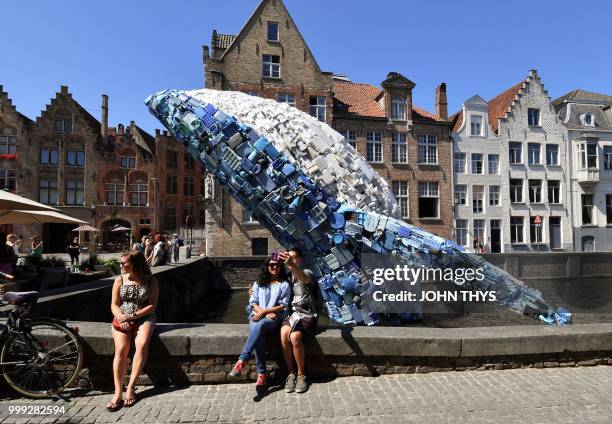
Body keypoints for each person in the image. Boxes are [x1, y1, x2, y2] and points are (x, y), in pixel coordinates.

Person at [229, 254, 291, 393]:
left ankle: (242, 361)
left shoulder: (284, 284)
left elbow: (283, 305)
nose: (275, 267)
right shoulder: (258, 283)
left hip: (273, 318)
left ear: (281, 267)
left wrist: (265, 312)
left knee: (260, 325)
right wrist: (261, 312)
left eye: (277, 265)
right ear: (267, 266)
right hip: (257, 315)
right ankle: (262, 374)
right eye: (272, 264)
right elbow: (253, 302)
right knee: (258, 329)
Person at [108, 251, 159, 412]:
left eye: (124, 263)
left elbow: (152, 305)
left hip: (144, 317)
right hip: (122, 319)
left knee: (142, 344)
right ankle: (117, 392)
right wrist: (122, 317)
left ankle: (131, 387)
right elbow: (114, 304)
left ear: (135, 264)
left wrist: (133, 315)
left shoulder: (151, 280)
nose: (120, 265)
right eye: (120, 262)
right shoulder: (119, 280)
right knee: (121, 350)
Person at [279, 247, 317, 394]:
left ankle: (301, 375)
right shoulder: (287, 277)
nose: (291, 260)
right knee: (284, 333)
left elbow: (305, 280)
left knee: (295, 336)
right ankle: (291, 373)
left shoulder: (306, 273)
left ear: (299, 259)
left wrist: (293, 265)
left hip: (306, 315)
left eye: (294, 257)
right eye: (288, 257)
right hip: (291, 316)